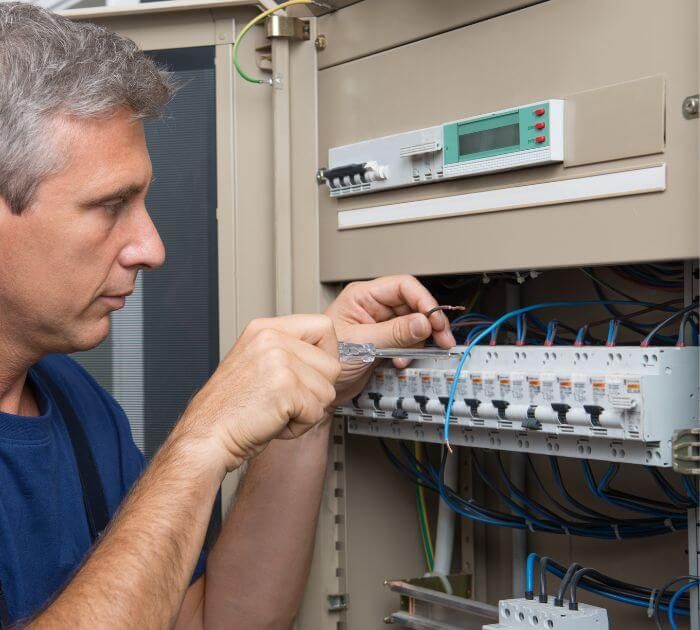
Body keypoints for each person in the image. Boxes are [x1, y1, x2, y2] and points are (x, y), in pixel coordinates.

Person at [0, 3, 456, 628]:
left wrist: (309, 395)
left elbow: (211, 621)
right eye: (110, 206)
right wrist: (199, 444)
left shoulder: (77, 406)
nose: (151, 248)